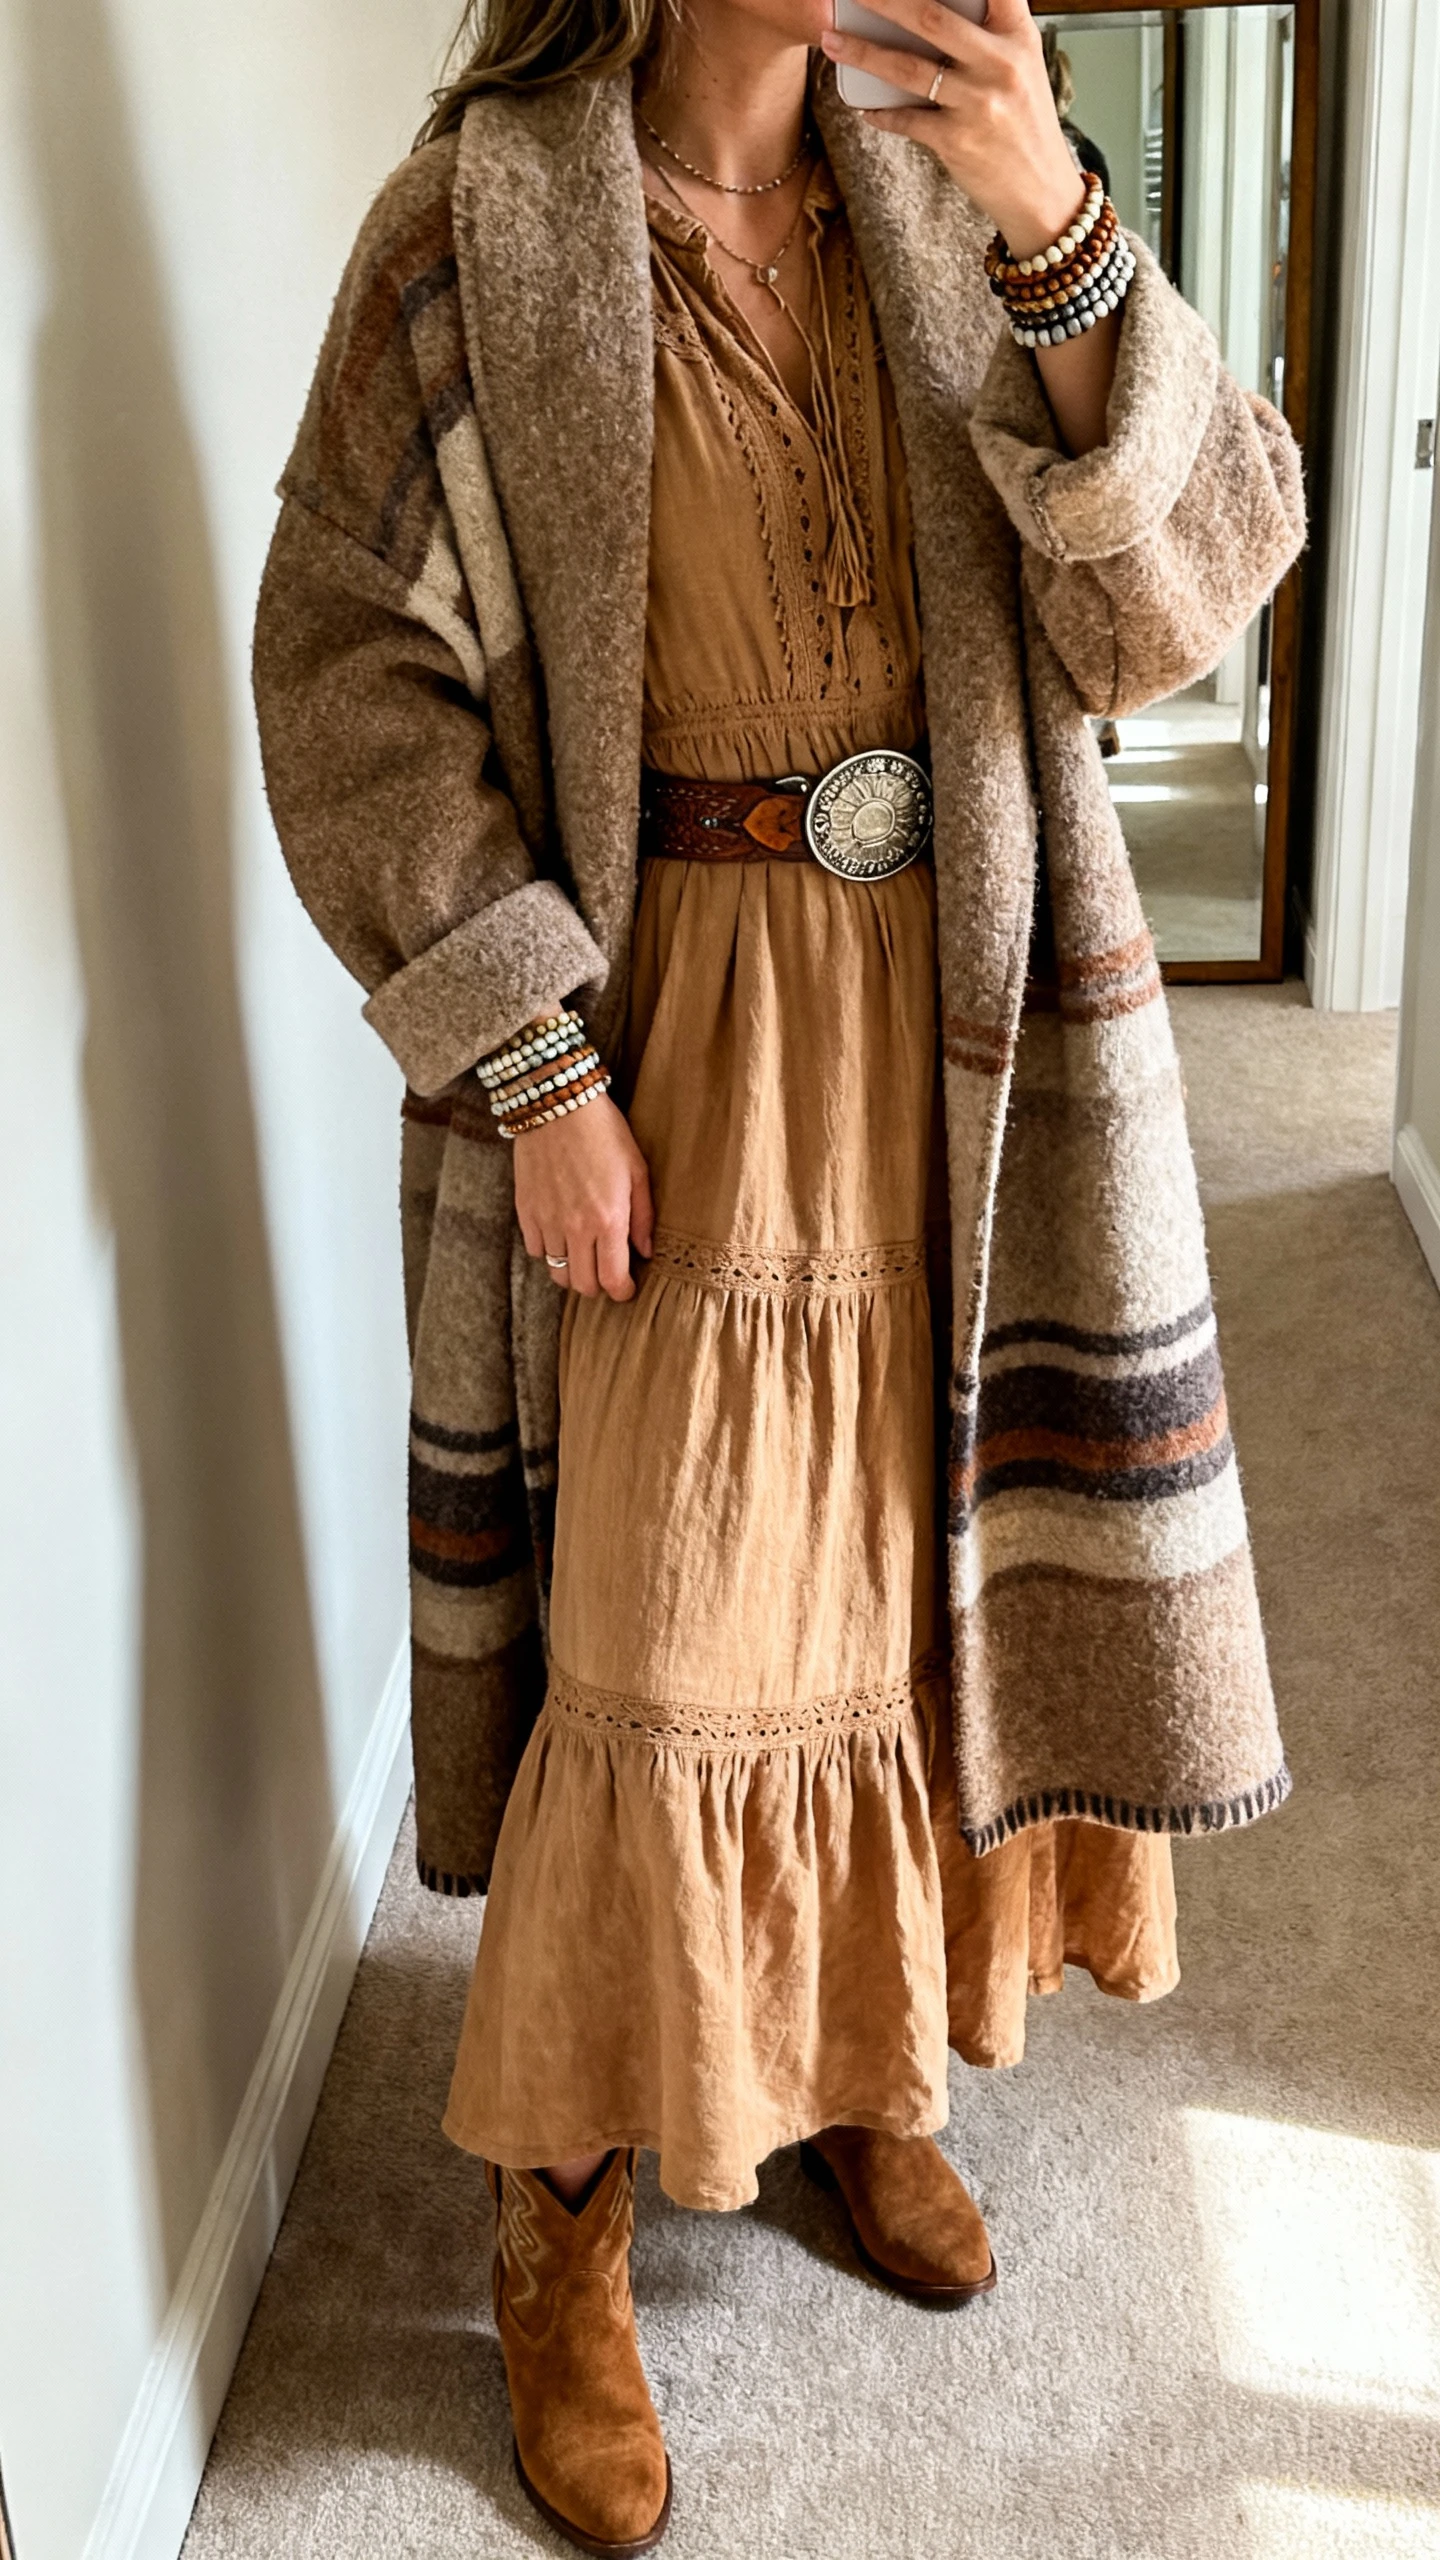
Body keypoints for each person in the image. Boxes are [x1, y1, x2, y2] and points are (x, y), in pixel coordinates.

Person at [254, 0, 1302, 2546]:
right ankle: (562, 2205)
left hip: (960, 1024)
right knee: (665, 1611)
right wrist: (529, 1060)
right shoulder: (479, 227)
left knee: (885, 1580)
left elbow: (1185, 588)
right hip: (670, 1033)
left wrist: (1064, 228)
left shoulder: (966, 193)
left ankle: (849, 2074)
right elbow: (345, 679)